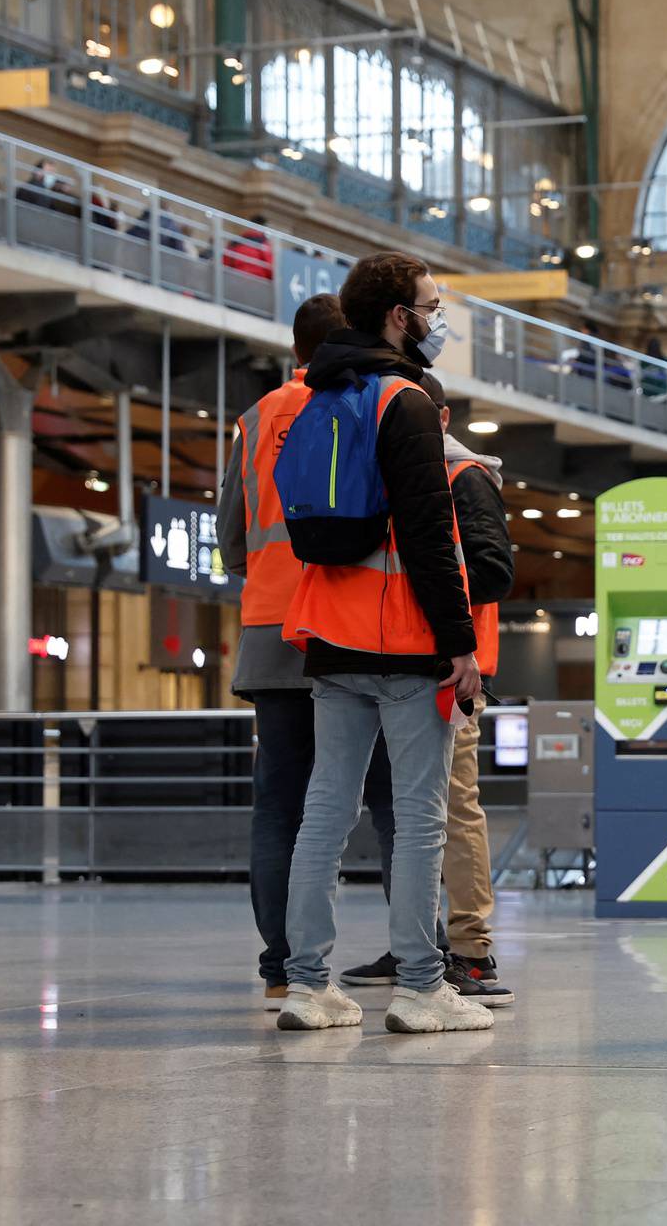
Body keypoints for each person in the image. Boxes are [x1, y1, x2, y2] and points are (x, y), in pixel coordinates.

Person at [275, 251, 491, 1035]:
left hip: (329, 638)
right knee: (422, 815)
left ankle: (306, 985)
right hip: (404, 641)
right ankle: (421, 986)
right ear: (399, 317)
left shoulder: (317, 395)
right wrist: (460, 644)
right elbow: (432, 537)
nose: (437, 320)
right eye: (431, 307)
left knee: (324, 814)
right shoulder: (404, 400)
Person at [218, 292, 396, 1013]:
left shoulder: (255, 417)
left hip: (268, 628)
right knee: (389, 793)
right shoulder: (365, 402)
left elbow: (231, 534)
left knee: (279, 803)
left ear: (293, 348)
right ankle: (421, 950)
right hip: (349, 624)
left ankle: (281, 967)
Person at [340, 371, 517, 1008]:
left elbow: (494, 571)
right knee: (411, 811)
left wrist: (439, 605)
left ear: (439, 420)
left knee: (453, 806)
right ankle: (420, 940)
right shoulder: (398, 476)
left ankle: (472, 950)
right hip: (409, 663)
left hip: (456, 667)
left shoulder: (464, 477)